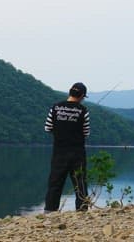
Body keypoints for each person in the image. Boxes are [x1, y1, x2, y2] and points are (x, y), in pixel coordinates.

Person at [44, 82, 91, 212]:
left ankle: (50, 211)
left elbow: (48, 128)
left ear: (70, 92)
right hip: (77, 153)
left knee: (55, 182)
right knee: (80, 182)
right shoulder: (83, 111)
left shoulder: (55, 107)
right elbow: (86, 132)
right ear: (82, 95)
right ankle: (82, 210)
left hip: (59, 152)